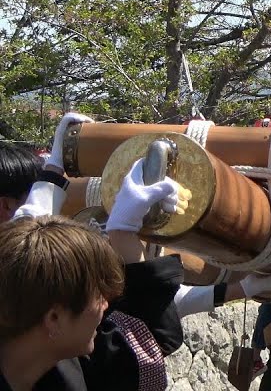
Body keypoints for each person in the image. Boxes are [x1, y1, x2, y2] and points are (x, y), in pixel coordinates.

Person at [0, 157, 187, 391]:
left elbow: (140, 351)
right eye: (98, 295)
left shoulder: (49, 355)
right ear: (54, 318)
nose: (106, 305)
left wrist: (122, 232)